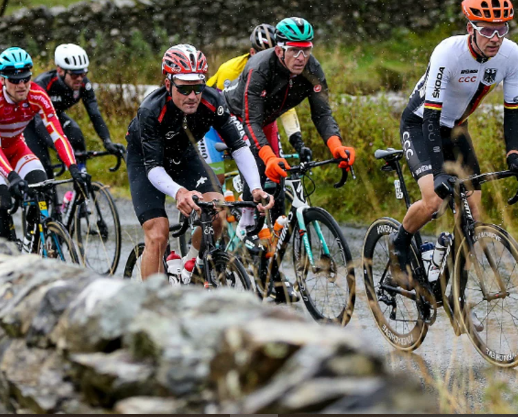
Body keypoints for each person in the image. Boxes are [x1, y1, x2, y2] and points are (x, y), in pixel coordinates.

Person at [389, 0, 518, 287]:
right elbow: (431, 115)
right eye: (487, 30)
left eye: (502, 29)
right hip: (420, 125)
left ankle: (454, 290)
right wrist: (440, 171)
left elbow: (513, 110)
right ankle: (399, 244)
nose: (496, 38)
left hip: (457, 127)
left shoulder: (511, 55)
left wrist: (514, 156)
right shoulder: (448, 52)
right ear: (470, 28)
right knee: (433, 201)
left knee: (474, 216)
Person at [126, 44, 273, 280]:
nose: (193, 96)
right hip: (147, 163)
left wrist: (256, 187)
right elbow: (154, 168)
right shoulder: (151, 110)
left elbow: (239, 145)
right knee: (158, 233)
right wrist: (179, 192)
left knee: (217, 212)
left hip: (184, 155)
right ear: (168, 84)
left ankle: (189, 266)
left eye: (198, 87)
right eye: (184, 89)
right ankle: (150, 307)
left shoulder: (214, 101)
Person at [0, 47, 90, 240]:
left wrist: (73, 167)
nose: (22, 85)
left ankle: (33, 242)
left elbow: (58, 135)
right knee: (3, 204)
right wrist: (12, 175)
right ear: (3, 80)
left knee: (41, 189)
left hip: (16, 147)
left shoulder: (38, 95)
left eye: (26, 79)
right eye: (15, 80)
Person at [225, 17, 357, 189]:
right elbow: (251, 121)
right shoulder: (259, 68)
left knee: (279, 179)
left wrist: (336, 145)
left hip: (266, 120)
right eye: (295, 50)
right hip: (234, 115)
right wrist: (268, 156)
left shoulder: (312, 69)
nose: (301, 58)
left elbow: (322, 114)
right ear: (279, 51)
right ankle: (248, 215)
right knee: (258, 174)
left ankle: (278, 216)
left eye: (306, 50)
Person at [200, 24, 304, 178]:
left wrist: (298, 142)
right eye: (262, 55)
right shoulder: (230, 71)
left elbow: (285, 108)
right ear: (252, 53)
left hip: (252, 120)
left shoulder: (282, 73)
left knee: (277, 170)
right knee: (217, 182)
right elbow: (223, 111)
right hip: (211, 122)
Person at [24, 43, 125, 175]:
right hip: (30, 123)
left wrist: (107, 141)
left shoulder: (84, 84)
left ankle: (80, 186)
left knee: (77, 137)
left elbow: (95, 114)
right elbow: (39, 123)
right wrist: (60, 149)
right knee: (44, 172)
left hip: (55, 116)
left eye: (83, 74)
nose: (79, 79)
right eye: (74, 75)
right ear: (60, 70)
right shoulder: (43, 84)